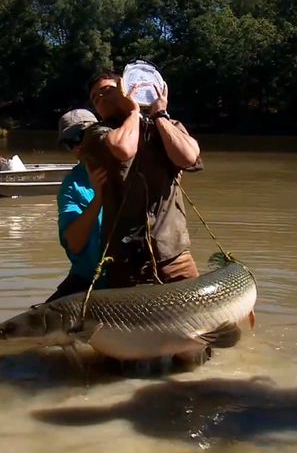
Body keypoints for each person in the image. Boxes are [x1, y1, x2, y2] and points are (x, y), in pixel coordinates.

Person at [79, 70, 203, 289]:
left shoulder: (167, 125)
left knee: (200, 321)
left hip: (174, 255)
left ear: (126, 88)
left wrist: (160, 114)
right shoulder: (97, 134)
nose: (102, 99)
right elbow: (123, 149)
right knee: (126, 323)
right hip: (125, 261)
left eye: (108, 90)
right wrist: (134, 112)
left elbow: (188, 157)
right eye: (95, 98)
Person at [46, 108, 108, 303]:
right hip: (88, 277)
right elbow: (74, 242)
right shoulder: (71, 185)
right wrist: (98, 198)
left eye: (80, 136)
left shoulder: (128, 163)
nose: (76, 147)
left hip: (130, 276)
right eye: (68, 143)